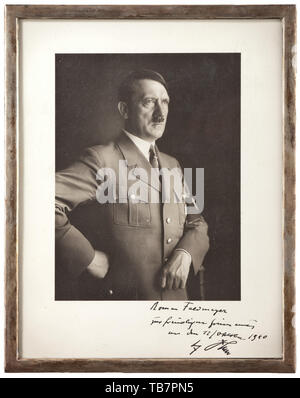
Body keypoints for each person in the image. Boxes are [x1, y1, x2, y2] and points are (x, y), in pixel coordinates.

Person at [55, 69, 209, 300]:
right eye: (149, 102)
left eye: (165, 102)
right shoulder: (102, 159)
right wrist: (86, 257)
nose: (161, 113)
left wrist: (186, 253)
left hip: (177, 310)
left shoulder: (172, 164)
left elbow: (197, 222)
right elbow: (37, 200)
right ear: (124, 110)